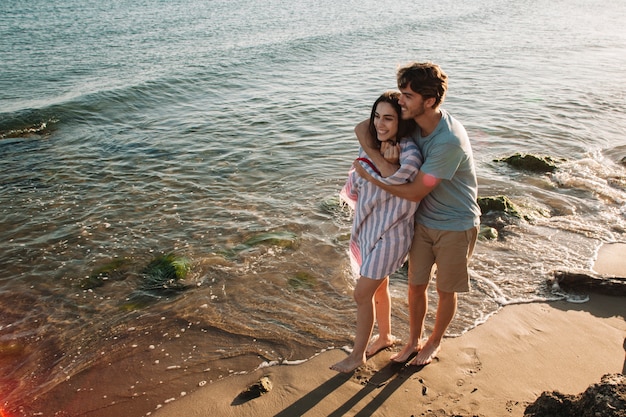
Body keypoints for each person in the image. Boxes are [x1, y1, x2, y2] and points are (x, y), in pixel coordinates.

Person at [353, 62, 481, 367]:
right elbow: (362, 128)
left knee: (445, 290)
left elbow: (412, 192)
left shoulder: (448, 141)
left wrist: (375, 175)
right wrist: (378, 158)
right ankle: (412, 340)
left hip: (455, 224)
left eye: (407, 95)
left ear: (430, 101)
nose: (400, 101)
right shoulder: (413, 123)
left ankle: (433, 341)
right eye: (401, 93)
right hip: (421, 221)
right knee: (415, 286)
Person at [331, 91, 423, 373]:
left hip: (392, 235)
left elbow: (401, 179)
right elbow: (359, 177)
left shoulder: (409, 152)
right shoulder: (371, 144)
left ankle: (357, 356)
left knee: (362, 294)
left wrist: (387, 165)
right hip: (370, 227)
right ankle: (384, 336)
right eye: (377, 116)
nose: (380, 124)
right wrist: (375, 155)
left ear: (402, 121)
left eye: (389, 118)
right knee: (378, 286)